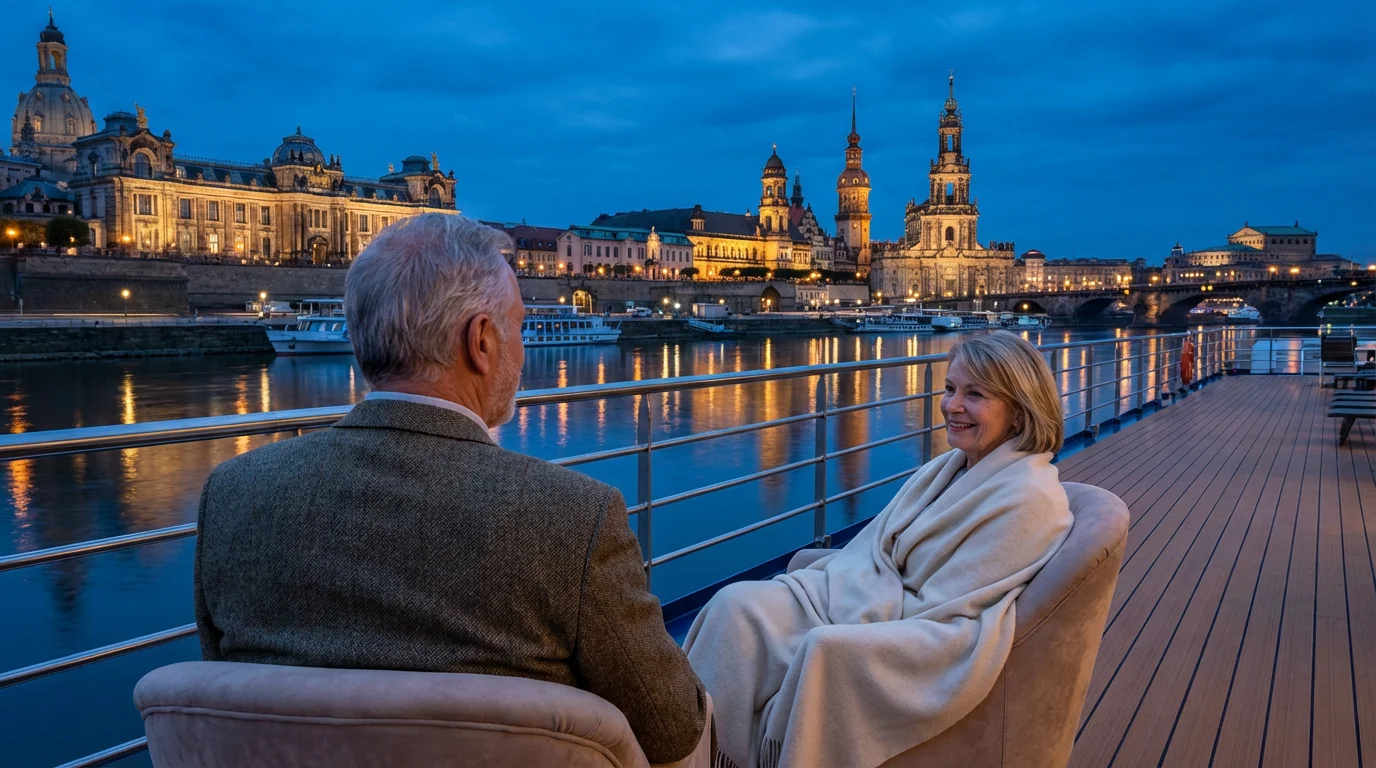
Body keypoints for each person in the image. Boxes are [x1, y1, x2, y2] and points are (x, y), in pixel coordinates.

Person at [193, 213, 707, 763]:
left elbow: (225, 695)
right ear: (481, 341)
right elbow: (672, 727)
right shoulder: (573, 519)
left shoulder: (234, 494)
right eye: (517, 326)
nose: (522, 345)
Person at [684, 331, 1073, 768]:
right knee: (733, 606)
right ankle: (699, 754)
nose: (951, 405)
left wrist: (865, 604)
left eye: (975, 394)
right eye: (949, 389)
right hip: (868, 596)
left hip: (918, 637)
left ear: (1019, 413)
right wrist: (858, 588)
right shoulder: (950, 469)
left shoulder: (1030, 499)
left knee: (823, 649)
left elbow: (950, 609)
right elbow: (876, 552)